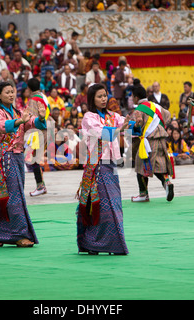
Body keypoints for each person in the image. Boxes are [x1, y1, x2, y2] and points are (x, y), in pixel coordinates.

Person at [0, 81, 47, 248]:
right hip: (6, 158)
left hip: (17, 158)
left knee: (4, 196)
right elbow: (2, 126)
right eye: (7, 92)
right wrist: (20, 122)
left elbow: (31, 123)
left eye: (12, 92)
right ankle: (18, 235)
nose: (11, 95)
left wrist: (40, 118)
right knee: (14, 196)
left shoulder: (17, 112)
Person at [76, 83, 132, 255]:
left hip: (111, 164)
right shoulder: (88, 117)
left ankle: (109, 243)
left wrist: (137, 119)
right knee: (99, 205)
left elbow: (127, 124)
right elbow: (101, 132)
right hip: (97, 166)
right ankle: (94, 242)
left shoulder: (113, 116)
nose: (103, 99)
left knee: (114, 205)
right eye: (99, 96)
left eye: (105, 95)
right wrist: (120, 128)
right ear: (92, 98)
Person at [131, 85, 174, 202]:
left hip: (148, 141)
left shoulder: (138, 109)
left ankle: (143, 194)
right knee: (160, 164)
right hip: (161, 138)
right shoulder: (156, 106)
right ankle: (167, 182)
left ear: (135, 97)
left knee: (141, 166)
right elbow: (168, 115)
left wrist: (136, 126)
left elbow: (137, 122)